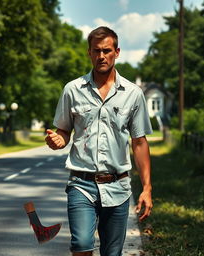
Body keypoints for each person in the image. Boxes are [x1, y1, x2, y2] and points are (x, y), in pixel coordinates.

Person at [45, 26, 153, 256]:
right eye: (96, 51)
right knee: (82, 244)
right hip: (81, 184)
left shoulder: (133, 94)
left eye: (106, 50)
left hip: (118, 186)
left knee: (111, 253)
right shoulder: (72, 90)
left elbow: (140, 142)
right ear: (89, 53)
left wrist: (146, 188)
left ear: (117, 52)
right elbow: (63, 131)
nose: (101, 56)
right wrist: (58, 140)